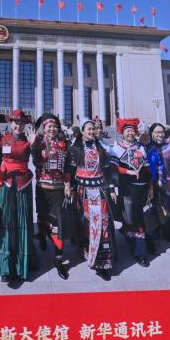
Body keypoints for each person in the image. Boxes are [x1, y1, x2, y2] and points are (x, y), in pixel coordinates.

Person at [66, 120, 118, 281]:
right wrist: (69, 187)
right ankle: (87, 250)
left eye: (93, 129)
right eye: (88, 129)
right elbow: (70, 170)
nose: (91, 131)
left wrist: (111, 188)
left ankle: (102, 261)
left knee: (102, 223)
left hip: (99, 189)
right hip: (83, 190)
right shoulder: (75, 149)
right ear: (82, 131)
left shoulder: (101, 149)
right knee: (87, 223)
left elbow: (107, 170)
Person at [0, 110, 36, 282]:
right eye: (15, 122)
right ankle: (6, 267)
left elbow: (39, 160)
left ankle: (22, 267)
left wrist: (34, 146)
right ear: (10, 123)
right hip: (6, 181)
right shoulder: (2, 139)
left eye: (20, 123)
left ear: (24, 124)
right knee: (7, 221)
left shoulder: (29, 139)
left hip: (23, 183)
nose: (17, 125)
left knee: (22, 221)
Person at [109, 117, 153, 267]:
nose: (130, 133)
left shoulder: (141, 148)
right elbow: (113, 168)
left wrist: (150, 186)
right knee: (133, 219)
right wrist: (128, 172)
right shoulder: (117, 148)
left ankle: (139, 243)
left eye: (133, 131)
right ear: (123, 132)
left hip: (142, 188)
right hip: (127, 189)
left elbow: (147, 169)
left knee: (140, 218)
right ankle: (139, 252)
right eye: (128, 131)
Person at [32, 113, 71, 278]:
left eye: (54, 126)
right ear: (44, 128)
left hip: (58, 189)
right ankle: (42, 236)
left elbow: (67, 167)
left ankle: (58, 258)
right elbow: (36, 162)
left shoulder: (63, 144)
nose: (52, 129)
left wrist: (68, 184)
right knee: (42, 216)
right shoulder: (38, 143)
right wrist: (38, 149)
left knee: (58, 223)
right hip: (42, 187)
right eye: (49, 126)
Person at [145, 123, 170, 243]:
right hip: (152, 182)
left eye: (161, 132)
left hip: (169, 181)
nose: (160, 134)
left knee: (169, 207)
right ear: (152, 133)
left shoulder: (169, 147)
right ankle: (155, 231)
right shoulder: (147, 147)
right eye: (157, 132)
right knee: (154, 205)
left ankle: (168, 233)